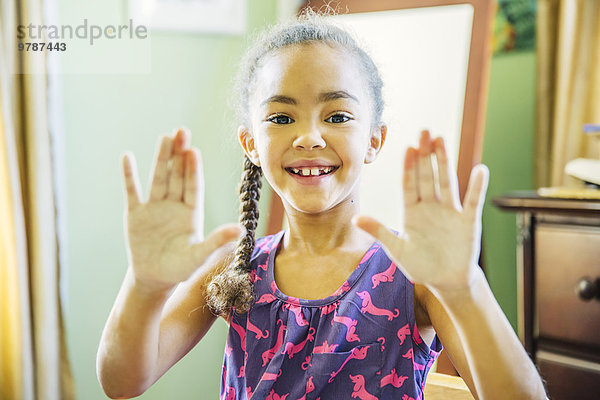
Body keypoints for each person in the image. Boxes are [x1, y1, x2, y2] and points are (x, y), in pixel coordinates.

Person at [96, 11, 547, 400]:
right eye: (280, 117)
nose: (309, 136)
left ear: (375, 140)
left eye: (337, 116)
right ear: (251, 143)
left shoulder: (416, 276)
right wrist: (145, 285)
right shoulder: (232, 266)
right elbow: (122, 381)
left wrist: (466, 288)